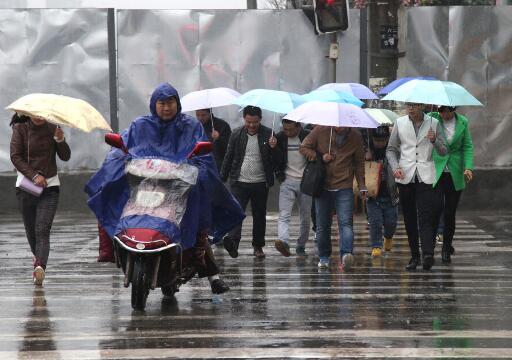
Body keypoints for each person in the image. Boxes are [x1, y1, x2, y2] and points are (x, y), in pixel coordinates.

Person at [86, 83, 244, 294]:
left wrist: (197, 171)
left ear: (177, 104)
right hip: (142, 188)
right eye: (162, 103)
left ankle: (212, 274)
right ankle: (115, 252)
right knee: (109, 200)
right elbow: (120, 149)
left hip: (179, 190)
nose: (166, 108)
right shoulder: (139, 126)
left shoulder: (191, 126)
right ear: (154, 104)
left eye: (170, 103)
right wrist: (121, 162)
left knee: (196, 219)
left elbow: (204, 158)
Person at [10, 113, 71, 286]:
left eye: (41, 115)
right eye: (34, 115)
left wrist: (60, 140)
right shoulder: (20, 129)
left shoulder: (53, 128)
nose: (38, 117)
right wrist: (34, 175)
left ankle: (40, 267)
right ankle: (38, 257)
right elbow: (15, 157)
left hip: (50, 187)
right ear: (28, 114)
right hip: (26, 187)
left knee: (42, 229)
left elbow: (65, 157)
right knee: (31, 231)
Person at [386, 102, 447, 271]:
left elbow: (444, 150)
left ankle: (427, 253)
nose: (410, 109)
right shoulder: (400, 123)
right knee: (409, 217)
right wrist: (395, 166)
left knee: (426, 215)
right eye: (408, 105)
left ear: (421, 106)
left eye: (413, 105)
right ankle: (414, 256)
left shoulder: (434, 123)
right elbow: (390, 149)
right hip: (406, 176)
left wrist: (434, 140)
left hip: (426, 175)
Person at [300, 126, 366, 271]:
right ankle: (324, 256)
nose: (340, 127)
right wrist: (320, 157)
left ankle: (346, 254)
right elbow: (304, 147)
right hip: (323, 185)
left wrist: (362, 185)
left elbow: (359, 162)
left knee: (346, 223)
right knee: (322, 225)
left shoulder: (355, 136)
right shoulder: (320, 130)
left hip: (344, 185)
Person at [220, 105, 278, 259]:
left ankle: (258, 246)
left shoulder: (269, 135)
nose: (252, 125)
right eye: (248, 122)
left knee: (259, 215)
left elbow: (276, 160)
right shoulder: (236, 134)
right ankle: (233, 242)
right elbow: (228, 156)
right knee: (236, 213)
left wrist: (273, 148)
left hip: (260, 182)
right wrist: (222, 178)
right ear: (244, 119)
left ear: (260, 120)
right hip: (239, 181)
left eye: (255, 122)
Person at [430, 106, 474, 263]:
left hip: (455, 172)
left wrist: (468, 167)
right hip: (437, 170)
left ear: (453, 109)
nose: (443, 114)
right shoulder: (432, 118)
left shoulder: (463, 122)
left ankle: (446, 247)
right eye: (441, 111)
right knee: (434, 209)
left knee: (449, 213)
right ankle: (429, 247)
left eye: (446, 111)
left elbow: (467, 146)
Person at [273, 118, 311, 257]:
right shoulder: (278, 138)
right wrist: (272, 147)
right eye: (285, 129)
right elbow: (275, 160)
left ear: (298, 126)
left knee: (305, 217)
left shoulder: (308, 136)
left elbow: (315, 156)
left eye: (291, 129)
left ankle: (301, 245)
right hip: (287, 181)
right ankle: (284, 242)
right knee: (284, 215)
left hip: (306, 182)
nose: (287, 132)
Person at [365, 126, 398, 257]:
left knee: (391, 222)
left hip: (390, 193)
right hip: (373, 195)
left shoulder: (392, 151)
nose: (379, 143)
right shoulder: (368, 151)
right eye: (377, 140)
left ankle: (388, 237)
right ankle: (376, 245)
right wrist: (366, 156)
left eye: (383, 140)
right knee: (375, 222)